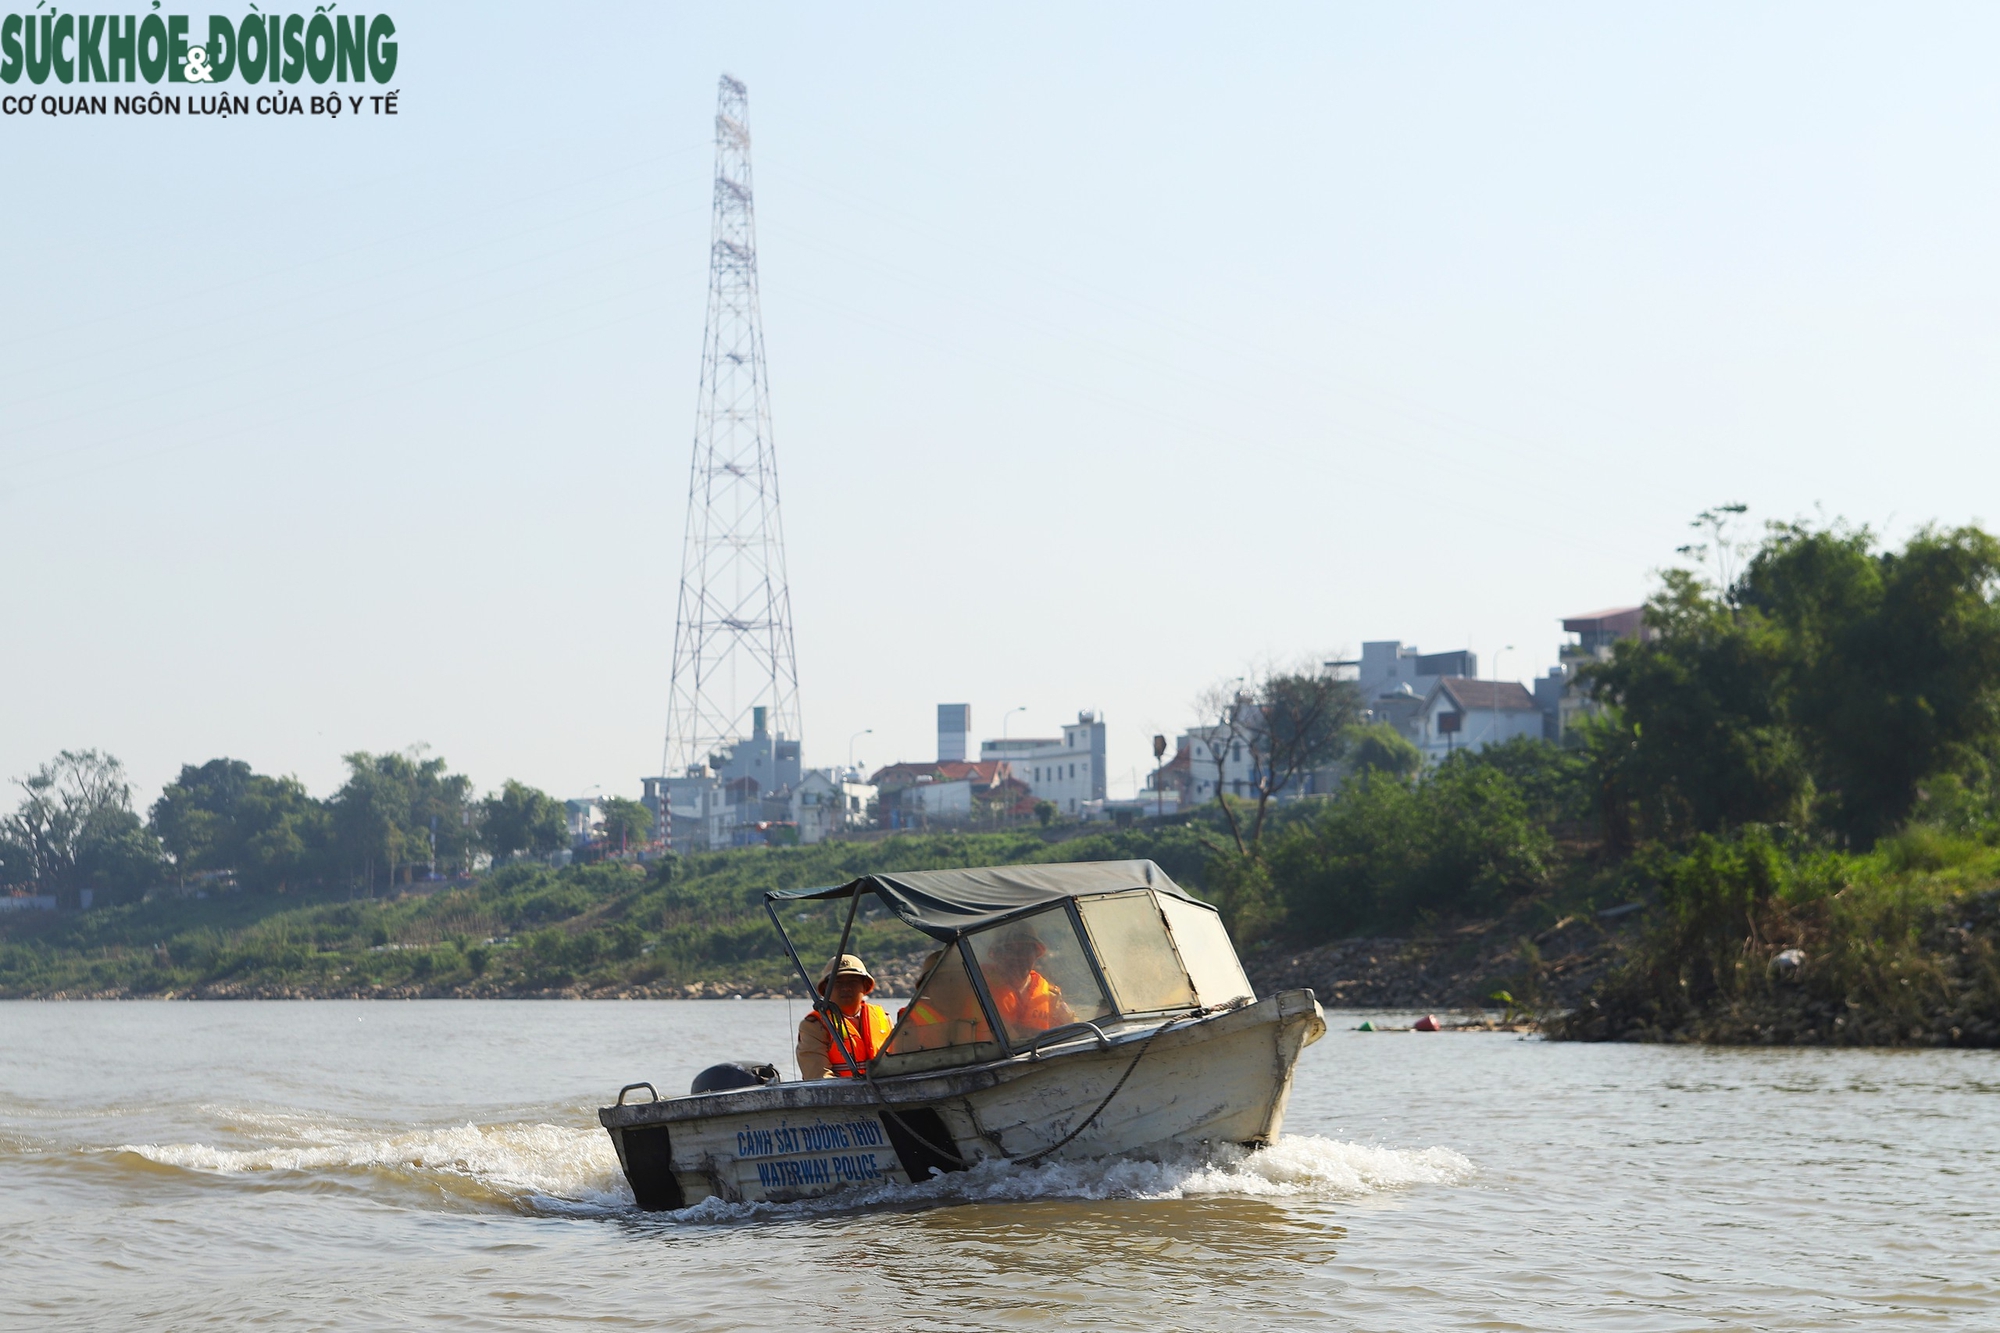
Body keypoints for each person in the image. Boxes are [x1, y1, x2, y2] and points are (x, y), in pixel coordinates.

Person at [796, 954, 893, 1079]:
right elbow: (817, 1076)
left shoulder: (883, 1018)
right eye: (838, 982)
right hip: (839, 1096)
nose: (846, 988)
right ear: (826, 988)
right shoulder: (814, 1025)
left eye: (853, 982)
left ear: (865, 986)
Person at [981, 923, 1074, 1039]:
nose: (1018, 958)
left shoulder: (1050, 996)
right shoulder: (977, 988)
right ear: (996, 955)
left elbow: (1075, 1030)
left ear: (1036, 955)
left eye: (1025, 950)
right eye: (1009, 950)